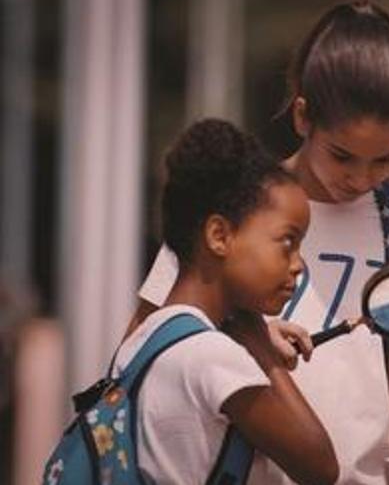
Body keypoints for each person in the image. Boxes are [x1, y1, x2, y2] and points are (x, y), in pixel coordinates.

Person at [128, 1, 389, 484]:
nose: (360, 177)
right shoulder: (231, 205)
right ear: (303, 116)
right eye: (342, 155)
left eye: (384, 160)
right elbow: (146, 346)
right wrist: (245, 332)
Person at [115, 119, 337, 483]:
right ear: (219, 235)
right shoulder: (213, 356)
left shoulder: (144, 339)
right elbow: (320, 466)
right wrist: (259, 345)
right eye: (287, 241)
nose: (298, 264)